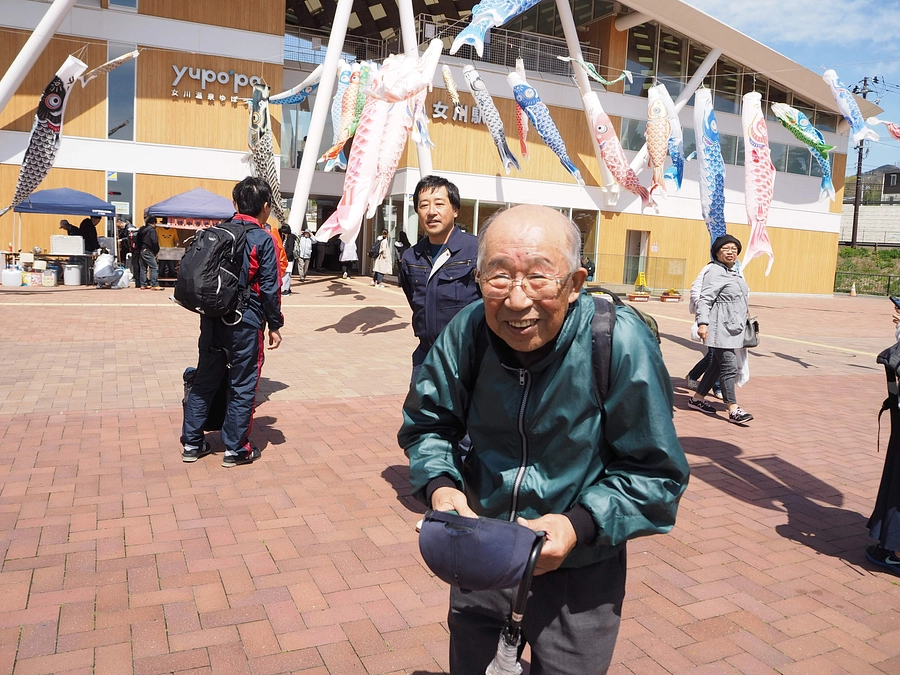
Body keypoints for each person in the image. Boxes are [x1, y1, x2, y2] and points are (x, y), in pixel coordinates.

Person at [399, 205, 689, 675]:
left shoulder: (617, 340)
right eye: (498, 277)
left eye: (538, 277)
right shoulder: (469, 330)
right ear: (478, 279)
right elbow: (429, 422)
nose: (516, 301)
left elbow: (656, 472)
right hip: (483, 548)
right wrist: (441, 486)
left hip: (580, 568)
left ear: (575, 283)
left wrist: (578, 525)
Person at [181, 176, 284, 468]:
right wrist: (275, 324)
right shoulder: (263, 238)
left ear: (235, 203)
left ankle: (192, 442)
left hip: (211, 319)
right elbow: (270, 287)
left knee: (205, 379)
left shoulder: (217, 232)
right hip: (245, 322)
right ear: (266, 207)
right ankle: (236, 449)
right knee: (243, 384)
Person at [398, 175, 480, 379]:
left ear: (455, 210)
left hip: (469, 358)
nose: (431, 212)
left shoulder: (477, 250)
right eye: (424, 205)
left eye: (439, 204)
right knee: (419, 401)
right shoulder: (411, 257)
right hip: (426, 357)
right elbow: (415, 301)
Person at [689, 234, 753, 423]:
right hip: (719, 328)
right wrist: (702, 323)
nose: (730, 252)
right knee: (729, 366)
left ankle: (697, 399)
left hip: (732, 327)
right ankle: (733, 409)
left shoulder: (732, 271)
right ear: (716, 252)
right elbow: (705, 299)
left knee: (717, 366)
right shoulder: (715, 271)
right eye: (725, 249)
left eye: (734, 249)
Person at [137, 216, 162, 290]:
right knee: (154, 267)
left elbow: (137, 240)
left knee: (143, 268)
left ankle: (143, 284)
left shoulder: (141, 229)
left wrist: (139, 248)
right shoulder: (152, 230)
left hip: (142, 250)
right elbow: (154, 241)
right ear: (154, 223)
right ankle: (154, 284)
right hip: (149, 250)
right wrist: (156, 250)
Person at [279, 225, 295, 295]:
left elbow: (290, 249)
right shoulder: (287, 237)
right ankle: (287, 288)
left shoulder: (290, 238)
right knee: (286, 274)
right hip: (287, 258)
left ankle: (286, 289)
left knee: (287, 274)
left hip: (288, 259)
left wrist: (287, 257)